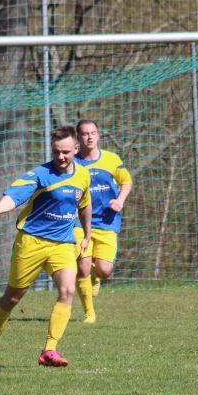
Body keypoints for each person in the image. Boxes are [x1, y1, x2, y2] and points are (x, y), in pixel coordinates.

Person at [0, 125, 92, 369]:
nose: (60, 157)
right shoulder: (40, 174)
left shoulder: (83, 175)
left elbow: (84, 204)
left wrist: (87, 235)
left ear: (76, 149)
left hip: (63, 243)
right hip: (32, 242)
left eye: (66, 152)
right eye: (56, 152)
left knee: (68, 290)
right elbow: (13, 198)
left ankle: (49, 350)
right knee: (12, 298)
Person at [73, 119, 133, 324]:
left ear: (98, 135)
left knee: (105, 270)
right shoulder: (73, 162)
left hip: (107, 220)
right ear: (78, 137)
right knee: (82, 266)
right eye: (85, 133)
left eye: (93, 133)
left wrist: (120, 200)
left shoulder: (111, 159)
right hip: (81, 223)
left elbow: (126, 181)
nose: (89, 137)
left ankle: (96, 276)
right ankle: (89, 313)